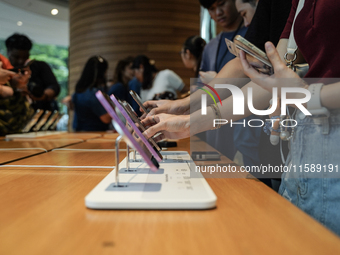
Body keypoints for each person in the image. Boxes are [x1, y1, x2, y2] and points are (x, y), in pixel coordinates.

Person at [142, 0, 340, 235]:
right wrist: (189, 121)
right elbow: (270, 84)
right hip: (301, 150)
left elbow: (286, 87)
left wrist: (309, 95)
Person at [5, 33, 60, 111]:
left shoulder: (39, 67)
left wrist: (43, 96)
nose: (21, 61)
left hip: (38, 114)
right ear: (8, 52)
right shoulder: (3, 71)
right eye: (16, 57)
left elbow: (54, 86)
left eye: (25, 57)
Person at [72, 56, 111, 131]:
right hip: (94, 133)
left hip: (78, 131)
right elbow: (106, 119)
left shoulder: (79, 90)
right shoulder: (94, 93)